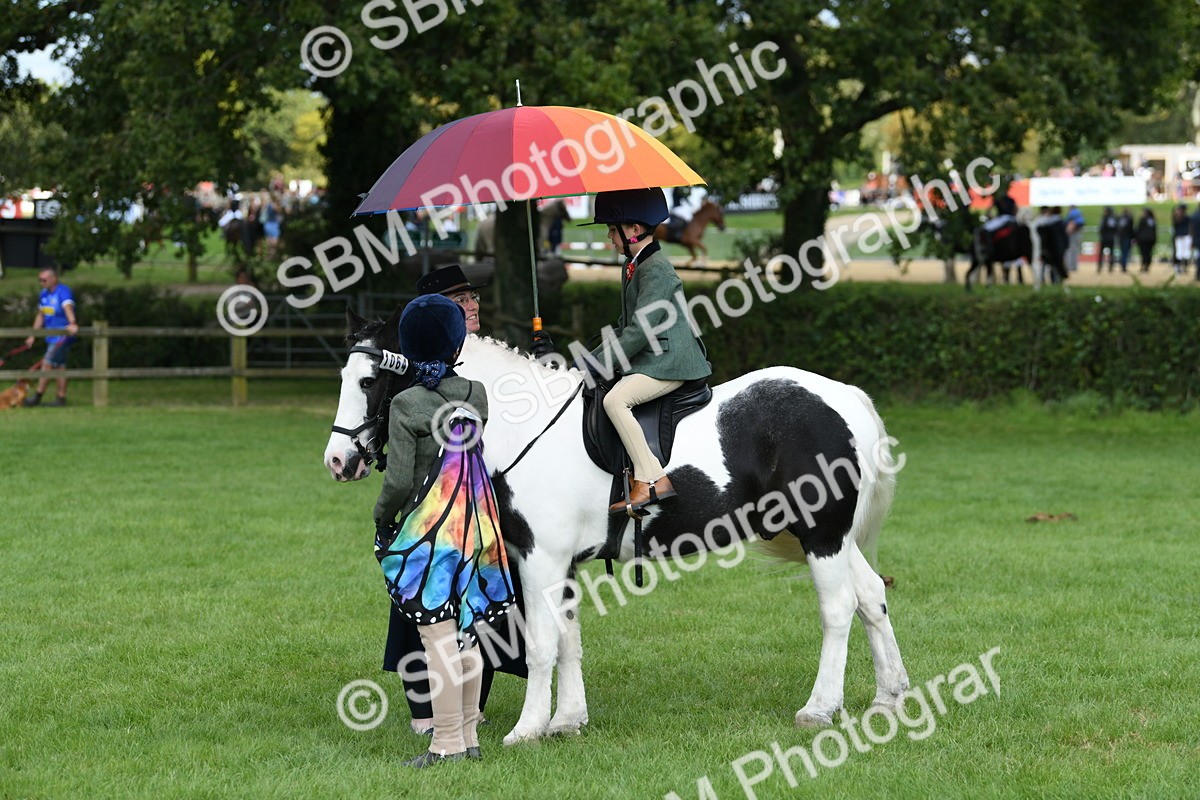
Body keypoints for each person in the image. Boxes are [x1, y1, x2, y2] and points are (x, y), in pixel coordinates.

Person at [374, 294, 516, 767]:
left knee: (437, 635)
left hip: (430, 532)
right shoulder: (476, 392)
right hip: (478, 526)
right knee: (470, 631)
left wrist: (381, 517)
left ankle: (446, 742)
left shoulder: (406, 403)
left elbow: (396, 482)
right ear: (457, 343)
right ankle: (470, 733)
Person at [581, 188, 711, 513]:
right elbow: (625, 327)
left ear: (634, 231)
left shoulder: (657, 271)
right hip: (654, 357)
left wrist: (597, 365)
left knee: (615, 400)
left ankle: (652, 479)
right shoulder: (636, 265)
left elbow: (639, 331)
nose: (610, 238)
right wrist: (586, 360)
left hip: (671, 362)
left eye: (613, 230)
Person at [416, 263, 555, 358]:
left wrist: (543, 364)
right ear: (436, 311)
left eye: (473, 297)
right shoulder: (428, 363)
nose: (474, 306)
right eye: (461, 300)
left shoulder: (486, 354)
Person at [23, 268, 78, 407]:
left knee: (47, 363)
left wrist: (72, 323)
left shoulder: (63, 291)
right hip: (51, 337)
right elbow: (41, 315)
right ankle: (61, 398)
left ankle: (37, 397)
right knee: (59, 366)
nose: (41, 282)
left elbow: (68, 307)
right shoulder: (44, 294)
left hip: (63, 336)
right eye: (39, 280)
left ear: (54, 279)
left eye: (44, 280)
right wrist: (33, 335)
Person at [1064, 205, 1086, 272]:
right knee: (1076, 250)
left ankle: (1070, 266)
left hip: (1072, 234)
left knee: (1070, 250)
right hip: (1079, 233)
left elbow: (1066, 222)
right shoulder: (1080, 213)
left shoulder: (1071, 213)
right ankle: (1075, 266)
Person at [1135, 208, 1157, 273]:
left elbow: (1138, 230)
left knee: (1143, 253)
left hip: (1143, 239)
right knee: (1149, 253)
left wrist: (1136, 238)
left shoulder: (1143, 220)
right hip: (1150, 239)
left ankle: (1143, 265)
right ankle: (1147, 266)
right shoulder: (1152, 220)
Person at [1171, 204, 1191, 275]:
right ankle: (1181, 267)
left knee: (1182, 252)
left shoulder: (1183, 217)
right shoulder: (1184, 217)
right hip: (1183, 236)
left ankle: (1180, 267)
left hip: (1181, 236)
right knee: (1182, 252)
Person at [1097, 206, 1118, 273]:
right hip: (1111, 237)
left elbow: (1101, 228)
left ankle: (1100, 266)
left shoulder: (1104, 218)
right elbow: (1116, 228)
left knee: (1101, 253)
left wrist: (1101, 234)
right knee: (1111, 252)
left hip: (1104, 237)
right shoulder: (1114, 218)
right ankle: (1111, 266)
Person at [1116, 208, 1135, 273]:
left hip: (1121, 237)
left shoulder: (1120, 218)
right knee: (1125, 252)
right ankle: (1124, 265)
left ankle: (1122, 265)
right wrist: (1133, 237)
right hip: (1127, 237)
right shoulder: (1129, 219)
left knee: (1122, 252)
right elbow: (1131, 229)